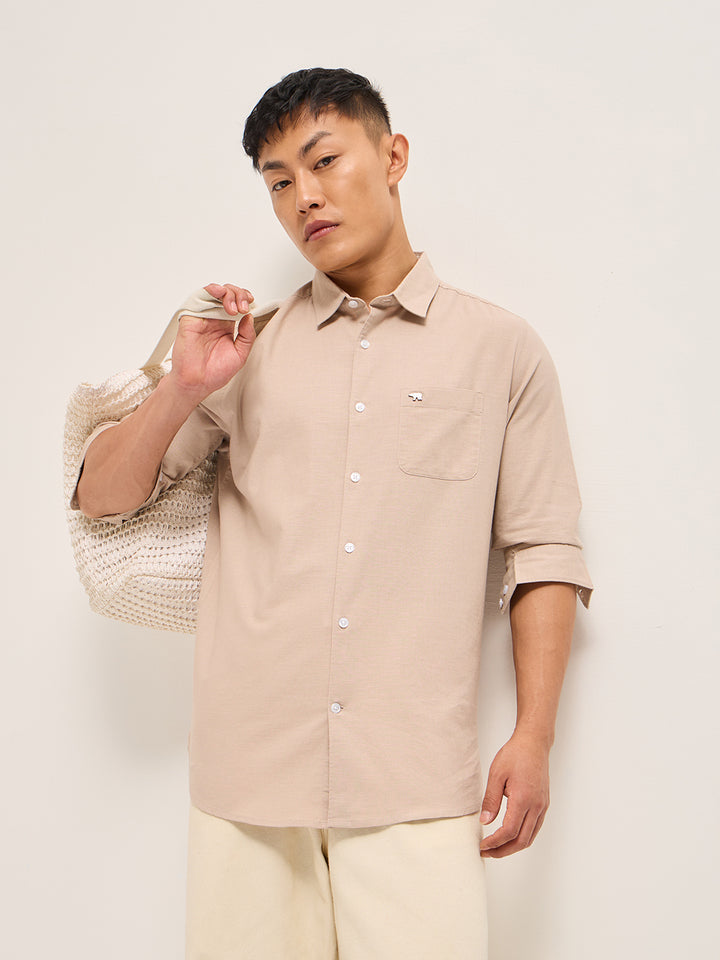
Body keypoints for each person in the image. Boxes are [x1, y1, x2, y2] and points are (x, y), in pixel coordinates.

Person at [72, 67, 593, 960]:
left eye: (323, 161)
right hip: (246, 781)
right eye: (278, 182)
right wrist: (181, 390)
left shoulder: (501, 350)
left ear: (393, 157)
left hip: (413, 779)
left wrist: (534, 737)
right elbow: (101, 500)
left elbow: (543, 549)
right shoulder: (246, 352)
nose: (304, 196)